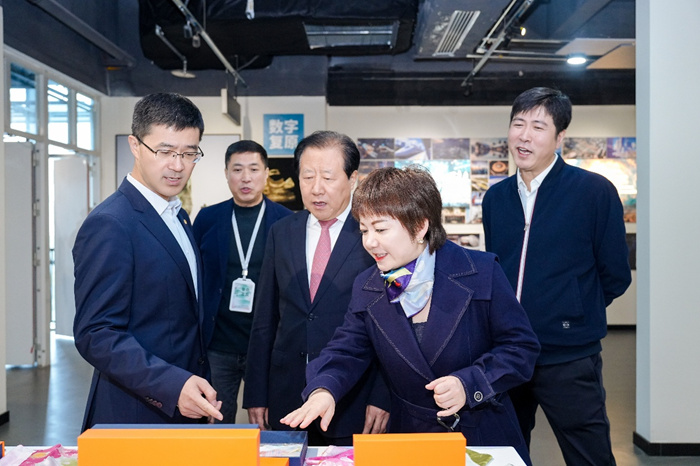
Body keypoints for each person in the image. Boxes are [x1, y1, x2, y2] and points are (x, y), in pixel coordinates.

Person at [281, 166, 540, 464]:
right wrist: (324, 389)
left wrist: (470, 384)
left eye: (380, 229)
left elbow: (521, 347)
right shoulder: (369, 286)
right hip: (411, 436)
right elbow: (346, 350)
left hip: (481, 434)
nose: (369, 241)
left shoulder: (480, 271)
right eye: (364, 230)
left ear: (419, 227)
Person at [482, 87, 631, 465]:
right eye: (518, 124)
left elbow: (615, 273)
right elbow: (497, 269)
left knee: (589, 455)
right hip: (507, 353)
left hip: (569, 355)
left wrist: (572, 309)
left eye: (538, 127)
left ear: (560, 137)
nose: (524, 136)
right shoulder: (496, 198)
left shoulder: (593, 192)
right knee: (505, 454)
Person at [73, 93, 223, 429]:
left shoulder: (178, 215)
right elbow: (96, 333)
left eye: (189, 153)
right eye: (165, 151)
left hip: (186, 405)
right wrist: (172, 385)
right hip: (136, 413)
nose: (178, 165)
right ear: (135, 145)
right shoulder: (111, 223)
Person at [243, 130, 390, 446]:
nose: (316, 188)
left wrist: (382, 395)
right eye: (307, 177)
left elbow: (391, 326)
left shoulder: (373, 236)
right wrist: (256, 392)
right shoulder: (282, 232)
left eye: (328, 177)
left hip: (354, 396)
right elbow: (265, 318)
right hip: (287, 395)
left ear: (353, 179)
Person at [193, 140, 292, 423]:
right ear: (226, 173)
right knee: (216, 422)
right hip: (218, 345)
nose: (245, 178)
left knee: (268, 423)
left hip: (266, 345)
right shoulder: (208, 218)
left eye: (253, 169)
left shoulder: (286, 221)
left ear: (266, 173)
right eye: (237, 170)